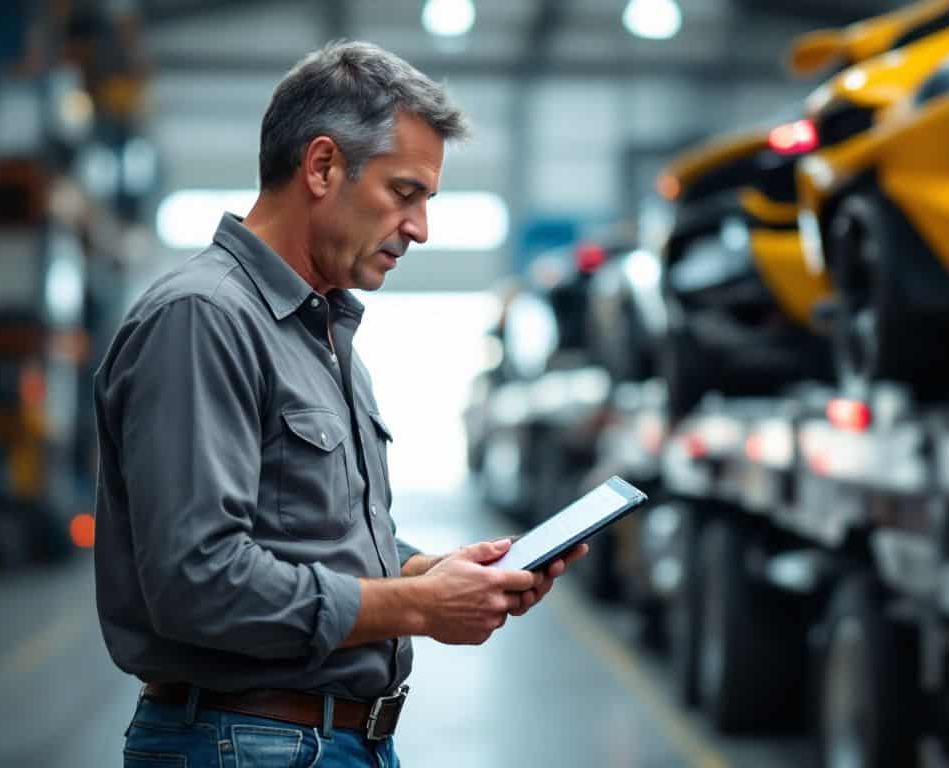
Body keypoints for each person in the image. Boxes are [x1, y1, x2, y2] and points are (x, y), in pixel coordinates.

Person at [93, 40, 586, 767]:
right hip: (245, 745)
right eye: (405, 193)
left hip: (320, 742)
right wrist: (418, 608)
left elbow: (308, 542)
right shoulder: (203, 318)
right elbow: (198, 582)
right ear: (322, 166)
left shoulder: (322, 331)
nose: (420, 229)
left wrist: (434, 574)